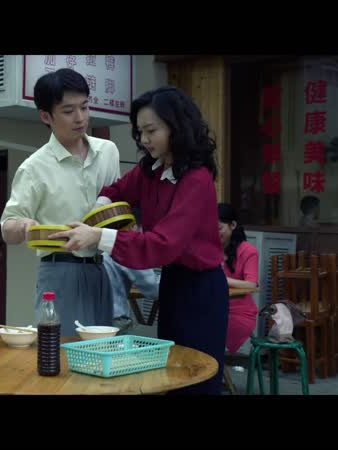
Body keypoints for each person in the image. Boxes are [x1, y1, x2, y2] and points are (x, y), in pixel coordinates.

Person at [49, 86, 228, 394]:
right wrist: (99, 212)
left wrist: (98, 235)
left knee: (197, 376)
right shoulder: (151, 171)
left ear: (176, 127)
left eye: (151, 131)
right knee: (172, 374)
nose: (144, 139)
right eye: (140, 132)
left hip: (202, 290)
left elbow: (163, 244)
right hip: (173, 282)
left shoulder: (196, 179)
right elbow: (116, 190)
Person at [0, 68, 121, 336]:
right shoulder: (34, 167)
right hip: (59, 270)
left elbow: (116, 206)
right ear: (46, 116)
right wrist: (23, 226)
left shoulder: (108, 152)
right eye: (68, 111)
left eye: (84, 107)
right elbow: (7, 228)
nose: (80, 118)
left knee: (100, 350)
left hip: (101, 268)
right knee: (62, 352)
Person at [101, 209, 160, 332]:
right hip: (113, 322)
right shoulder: (129, 247)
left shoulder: (101, 242)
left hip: (88, 318)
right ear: (134, 226)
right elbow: (154, 290)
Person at [218, 203, 259, 354]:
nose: (214, 234)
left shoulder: (248, 251)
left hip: (238, 313)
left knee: (204, 338)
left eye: (219, 228)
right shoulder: (211, 249)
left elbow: (251, 285)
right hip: (213, 308)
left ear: (233, 225)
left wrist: (221, 279)